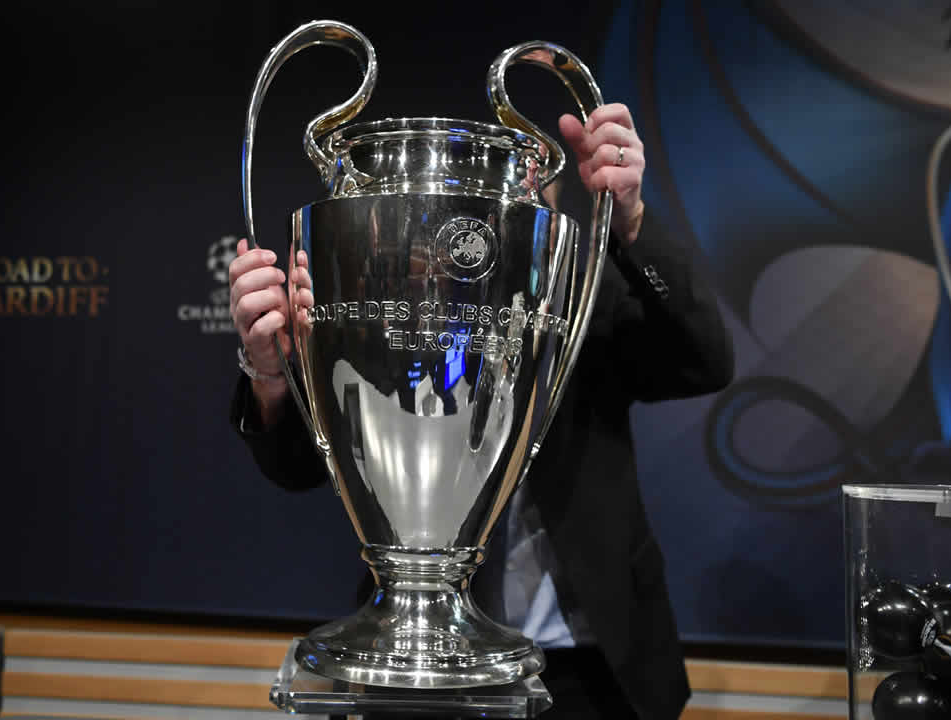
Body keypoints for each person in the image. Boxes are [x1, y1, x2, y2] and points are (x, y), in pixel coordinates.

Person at [228, 104, 733, 719]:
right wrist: (272, 373)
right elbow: (298, 466)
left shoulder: (580, 297)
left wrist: (630, 220)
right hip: (421, 658)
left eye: (525, 204)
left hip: (591, 661)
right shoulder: (388, 310)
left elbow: (705, 361)